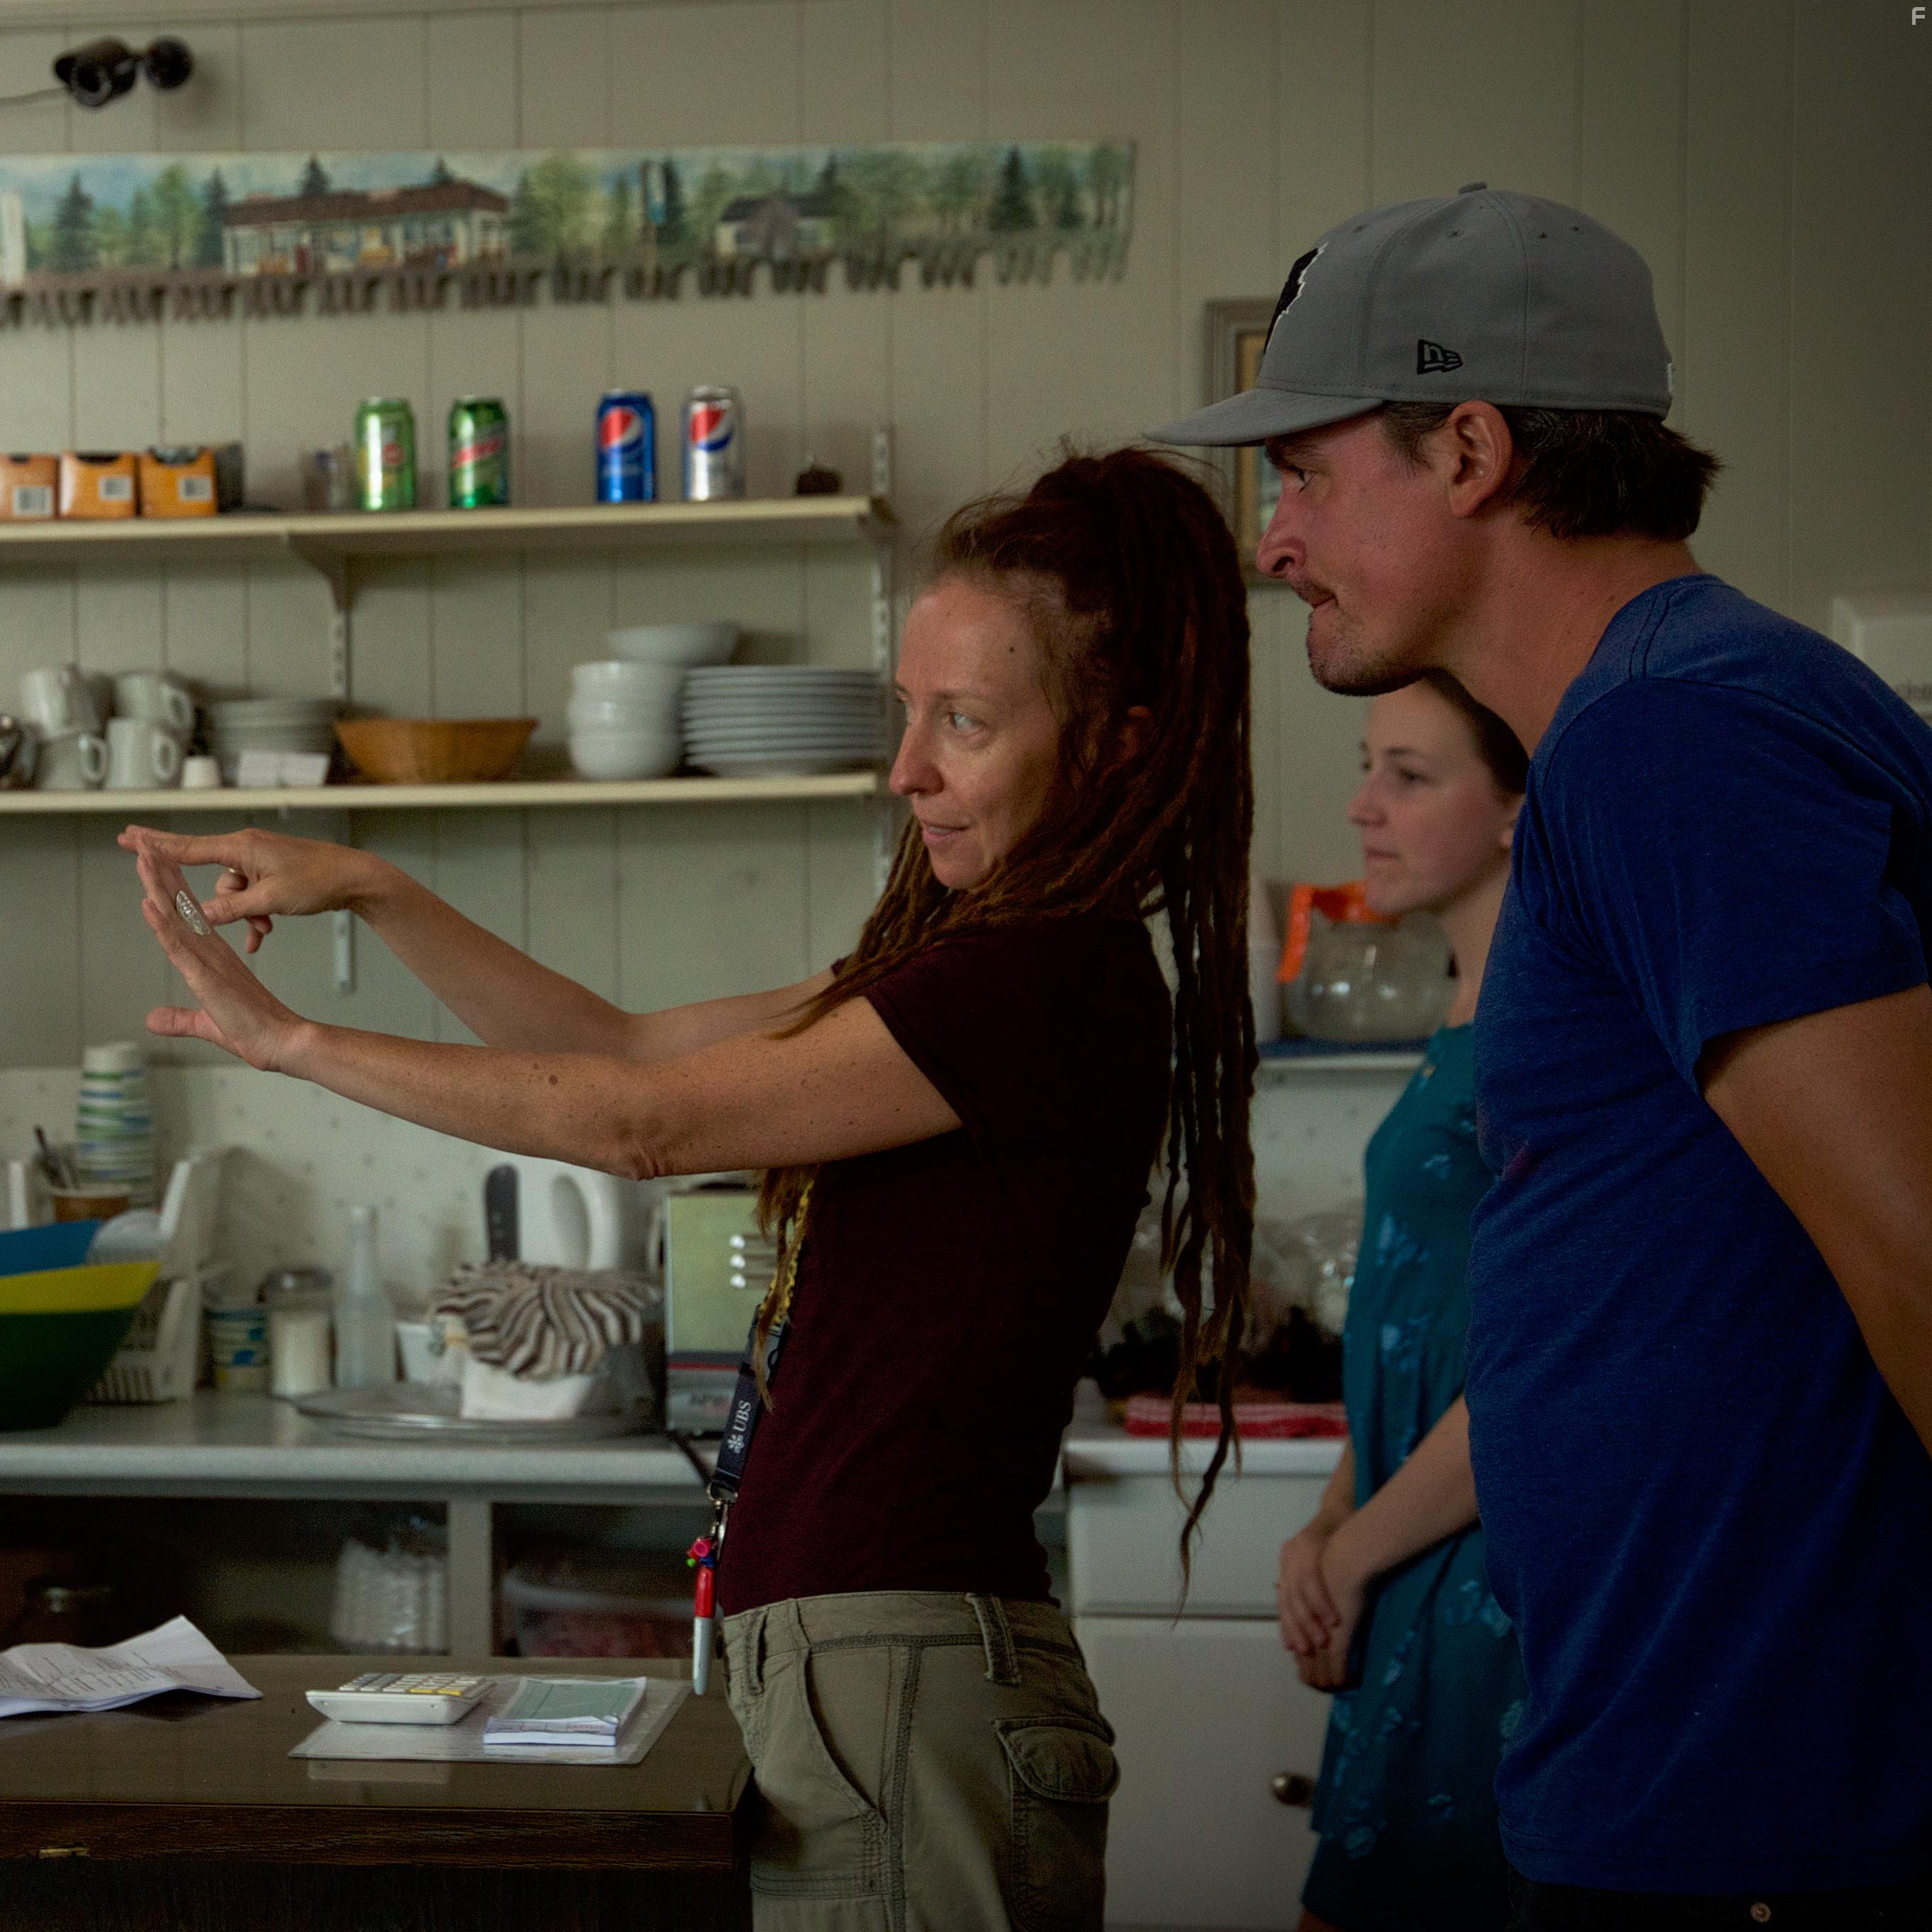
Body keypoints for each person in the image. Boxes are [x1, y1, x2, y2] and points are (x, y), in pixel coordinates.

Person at [121, 447, 1258, 1930]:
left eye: (963, 724)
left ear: (1112, 746)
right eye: (905, 713)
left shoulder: (1036, 979)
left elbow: (641, 1123)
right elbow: (619, 1045)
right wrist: (379, 889)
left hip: (903, 1679)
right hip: (872, 1673)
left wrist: (292, 1042)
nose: (905, 768)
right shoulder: (979, 967)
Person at [1154, 187, 1932, 1920]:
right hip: (1703, 1787)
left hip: (1761, 1815)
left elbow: (1920, 1254)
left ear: (1470, 451)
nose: (1273, 540)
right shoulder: (1666, 725)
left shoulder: (1675, 736)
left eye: (1301, 475)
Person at [1276, 673, 1528, 1930]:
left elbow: (1542, 1372)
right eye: (1370, 766)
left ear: (1516, 813)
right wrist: (1330, 1526)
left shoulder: (1551, 1041)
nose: (1361, 806)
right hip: (1412, 1549)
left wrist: (1354, 1552)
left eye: (1410, 776)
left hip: (1483, 1576)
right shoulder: (1465, 1016)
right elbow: (1416, 1323)